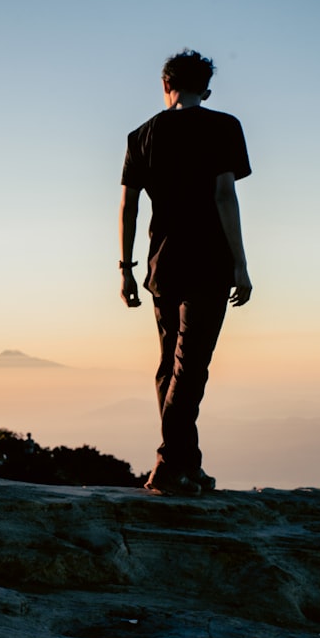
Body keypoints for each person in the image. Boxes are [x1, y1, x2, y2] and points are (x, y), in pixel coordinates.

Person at [119, 49, 252, 496]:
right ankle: (168, 465)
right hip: (210, 264)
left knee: (169, 368)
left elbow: (129, 206)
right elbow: (224, 196)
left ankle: (187, 466)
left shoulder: (141, 135)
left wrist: (126, 269)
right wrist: (241, 264)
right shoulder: (223, 127)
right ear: (207, 89)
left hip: (162, 265)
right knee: (190, 367)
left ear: (164, 85)